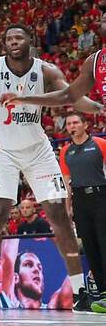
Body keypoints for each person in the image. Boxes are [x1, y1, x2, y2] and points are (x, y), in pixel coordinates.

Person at [0, 24, 97, 312]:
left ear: (29, 41)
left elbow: (71, 96)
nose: (13, 42)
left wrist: (96, 107)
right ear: (4, 44)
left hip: (38, 151)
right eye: (9, 38)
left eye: (18, 37)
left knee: (59, 216)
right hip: (3, 151)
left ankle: (79, 292)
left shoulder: (46, 70)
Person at [58, 111, 106, 313]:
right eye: (69, 124)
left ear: (85, 125)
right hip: (80, 200)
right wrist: (67, 208)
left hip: (101, 195)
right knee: (90, 246)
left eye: (76, 122)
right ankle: (103, 294)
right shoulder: (65, 152)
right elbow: (66, 184)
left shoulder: (100, 144)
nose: (72, 126)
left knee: (104, 242)